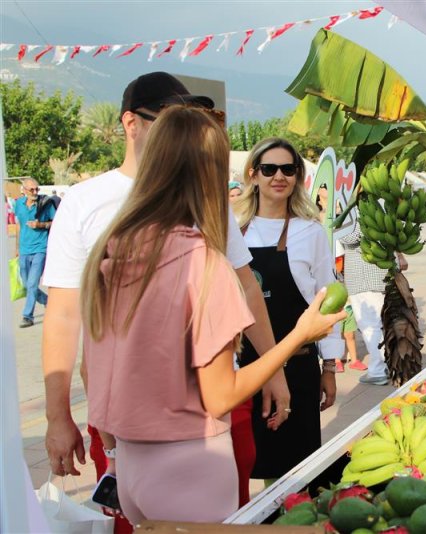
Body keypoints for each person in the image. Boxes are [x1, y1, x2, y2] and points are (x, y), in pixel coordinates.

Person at [41, 72, 287, 519]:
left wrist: (273, 370)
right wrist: (59, 416)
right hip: (156, 431)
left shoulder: (197, 210)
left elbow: (247, 285)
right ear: (131, 123)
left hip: (176, 423)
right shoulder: (84, 203)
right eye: (171, 117)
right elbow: (62, 318)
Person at [81, 106, 343, 524]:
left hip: (131, 463)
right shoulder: (201, 262)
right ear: (210, 174)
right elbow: (220, 394)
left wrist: (113, 454)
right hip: (190, 463)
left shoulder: (114, 250)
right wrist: (299, 336)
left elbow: (90, 370)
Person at [233, 137, 342, 481]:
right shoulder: (234, 234)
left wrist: (329, 366)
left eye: (288, 169)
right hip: (247, 369)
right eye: (269, 169)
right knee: (252, 465)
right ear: (253, 175)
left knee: (297, 472)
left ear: (297, 177)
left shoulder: (310, 232)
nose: (278, 176)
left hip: (298, 368)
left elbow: (328, 301)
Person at [339, 225, 407, 386]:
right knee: (381, 323)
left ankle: (377, 370)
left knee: (370, 325)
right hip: (380, 273)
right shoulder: (382, 204)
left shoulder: (359, 209)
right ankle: (389, 366)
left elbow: (348, 236)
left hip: (364, 277)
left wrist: (334, 220)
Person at [14, 178, 56, 327]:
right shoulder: (18, 204)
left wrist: (41, 225)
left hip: (40, 248)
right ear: (24, 190)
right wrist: (17, 247)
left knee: (32, 283)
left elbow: (56, 223)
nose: (35, 192)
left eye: (37, 189)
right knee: (27, 284)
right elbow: (19, 225)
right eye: (32, 190)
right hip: (24, 249)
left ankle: (27, 316)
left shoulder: (45, 204)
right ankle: (47, 301)